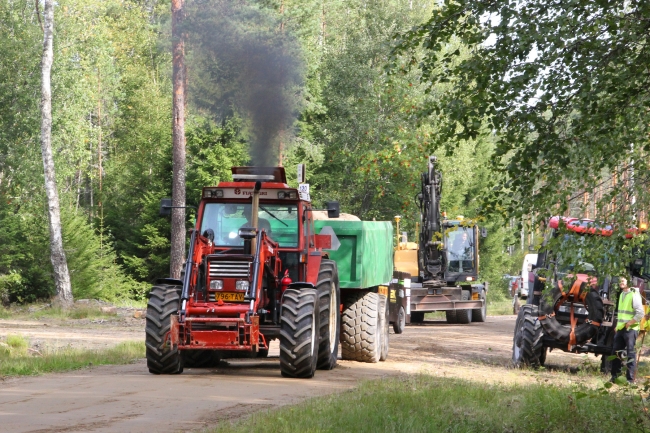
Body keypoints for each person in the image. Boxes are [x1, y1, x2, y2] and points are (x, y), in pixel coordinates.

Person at [611, 277, 644, 383]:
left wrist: (629, 323)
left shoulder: (634, 294)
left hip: (631, 329)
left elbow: (640, 313)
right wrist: (618, 326)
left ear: (629, 283)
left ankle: (630, 380)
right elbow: (621, 314)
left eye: (623, 281)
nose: (620, 283)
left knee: (630, 353)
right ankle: (614, 376)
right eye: (620, 281)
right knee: (615, 352)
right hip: (621, 329)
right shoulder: (622, 294)